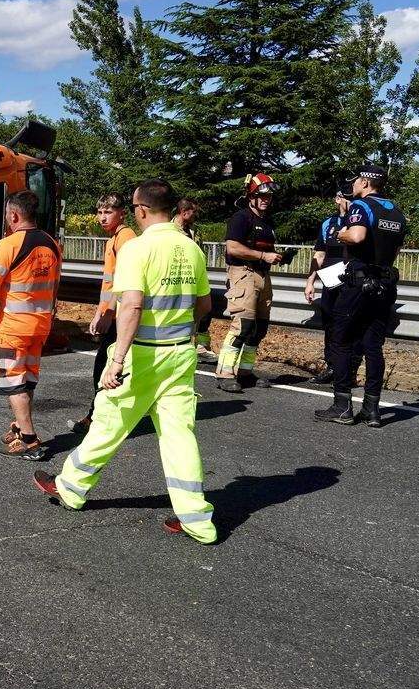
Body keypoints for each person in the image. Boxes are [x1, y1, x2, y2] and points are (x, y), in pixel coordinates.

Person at [35, 178, 217, 544]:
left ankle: (71, 487)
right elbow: (205, 305)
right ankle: (198, 519)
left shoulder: (138, 248)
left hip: (143, 354)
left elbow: (131, 305)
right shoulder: (191, 248)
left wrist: (116, 359)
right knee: (179, 433)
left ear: (141, 210)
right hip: (181, 355)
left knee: (110, 419)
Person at [316, 164, 407, 428]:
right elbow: (396, 249)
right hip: (384, 286)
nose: (353, 185)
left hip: (359, 284)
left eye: (355, 180)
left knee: (341, 340)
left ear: (365, 183)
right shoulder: (396, 211)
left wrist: (341, 232)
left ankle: (342, 406)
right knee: (373, 346)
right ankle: (372, 410)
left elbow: (357, 236)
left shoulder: (361, 206)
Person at [0, 190, 62, 459]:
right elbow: (54, 286)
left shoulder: (8, 245)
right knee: (27, 379)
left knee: (14, 383)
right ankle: (19, 425)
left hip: (12, 328)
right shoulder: (52, 244)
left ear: (14, 215)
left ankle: (29, 439)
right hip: (39, 326)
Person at [70, 193, 136, 432]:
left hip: (122, 315)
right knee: (108, 364)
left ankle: (98, 416)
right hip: (117, 313)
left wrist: (105, 313)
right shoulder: (115, 239)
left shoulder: (125, 238)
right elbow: (110, 282)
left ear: (122, 213)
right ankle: (99, 413)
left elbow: (124, 281)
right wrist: (103, 310)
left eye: (108, 212)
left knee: (106, 365)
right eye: (100, 212)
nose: (102, 217)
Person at [215, 173, 282, 393]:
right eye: (261, 195)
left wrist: (275, 256)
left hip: (263, 275)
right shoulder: (241, 218)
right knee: (241, 325)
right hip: (243, 274)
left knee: (259, 327)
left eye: (269, 196)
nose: (265, 199)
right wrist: (263, 256)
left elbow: (263, 250)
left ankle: (245, 371)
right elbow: (232, 248)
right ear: (250, 196)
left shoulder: (268, 222)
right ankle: (225, 372)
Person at [304, 181, 357, 384]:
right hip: (330, 279)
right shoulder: (328, 223)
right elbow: (319, 254)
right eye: (348, 199)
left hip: (351, 279)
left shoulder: (358, 222)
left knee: (348, 324)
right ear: (338, 199)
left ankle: (347, 369)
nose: (351, 203)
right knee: (330, 323)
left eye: (354, 199)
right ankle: (331, 366)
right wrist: (310, 282)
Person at [174, 197, 214, 359]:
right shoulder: (171, 230)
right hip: (179, 279)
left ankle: (199, 346)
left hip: (195, 278)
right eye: (194, 212)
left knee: (203, 309)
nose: (196, 215)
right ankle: (183, 346)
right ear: (184, 213)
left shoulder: (193, 231)